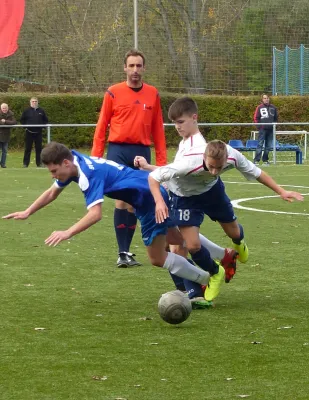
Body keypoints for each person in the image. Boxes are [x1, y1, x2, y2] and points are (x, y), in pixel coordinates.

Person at [135, 97, 303, 302]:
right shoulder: (188, 155)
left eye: (180, 122)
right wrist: (150, 175)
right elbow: (164, 174)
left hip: (212, 193)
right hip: (185, 199)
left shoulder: (228, 155)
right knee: (188, 245)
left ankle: (237, 245)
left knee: (231, 231)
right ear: (204, 160)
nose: (215, 171)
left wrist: (281, 191)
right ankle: (209, 278)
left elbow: (257, 172)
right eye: (175, 123)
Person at [3, 142, 213, 291]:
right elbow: (52, 191)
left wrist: (67, 232)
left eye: (54, 171)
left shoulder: (86, 174)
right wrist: (28, 211)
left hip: (147, 198)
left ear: (66, 163)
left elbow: (95, 215)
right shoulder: (75, 161)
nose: (54, 176)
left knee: (157, 258)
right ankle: (221, 258)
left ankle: (206, 278)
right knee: (176, 240)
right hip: (148, 188)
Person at [91, 49, 167, 268]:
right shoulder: (113, 92)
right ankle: (122, 252)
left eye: (139, 66)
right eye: (131, 65)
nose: (135, 70)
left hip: (141, 152)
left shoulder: (153, 93)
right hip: (117, 151)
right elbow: (102, 125)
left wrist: (161, 163)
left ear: (144, 68)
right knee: (122, 199)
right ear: (124, 68)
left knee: (137, 202)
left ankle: (130, 251)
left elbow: (158, 130)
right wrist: (96, 159)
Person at [20, 97, 49, 168]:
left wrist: (43, 127)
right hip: (29, 132)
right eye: (33, 101)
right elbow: (22, 120)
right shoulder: (26, 111)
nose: (34, 103)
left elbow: (45, 120)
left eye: (35, 101)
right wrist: (25, 127)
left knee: (39, 148)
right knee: (28, 148)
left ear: (37, 102)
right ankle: (25, 164)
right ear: (30, 102)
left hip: (38, 132)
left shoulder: (41, 111)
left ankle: (39, 163)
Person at [253, 94, 278, 165]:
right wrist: (259, 127)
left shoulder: (273, 107)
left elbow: (276, 118)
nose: (266, 99)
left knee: (268, 146)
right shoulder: (259, 107)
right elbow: (256, 118)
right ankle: (256, 160)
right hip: (262, 129)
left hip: (270, 130)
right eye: (264, 98)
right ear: (262, 100)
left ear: (269, 99)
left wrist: (274, 126)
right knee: (260, 144)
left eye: (267, 98)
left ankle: (265, 160)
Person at [0, 103, 16, 168]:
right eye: (3, 108)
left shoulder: (11, 114)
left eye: (5, 108)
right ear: (1, 108)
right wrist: (2, 122)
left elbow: (14, 122)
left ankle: (3, 164)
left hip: (6, 135)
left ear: (7, 108)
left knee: (5, 151)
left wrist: (5, 121)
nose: (4, 109)